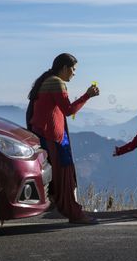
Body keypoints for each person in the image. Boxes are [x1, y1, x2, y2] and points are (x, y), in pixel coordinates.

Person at [27, 53, 99, 224]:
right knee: (63, 175)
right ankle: (73, 212)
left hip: (46, 134)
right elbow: (68, 110)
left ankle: (60, 205)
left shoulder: (46, 80)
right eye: (73, 69)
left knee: (58, 175)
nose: (74, 73)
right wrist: (87, 95)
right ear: (65, 68)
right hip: (53, 137)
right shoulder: (56, 82)